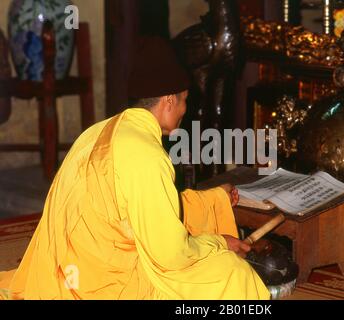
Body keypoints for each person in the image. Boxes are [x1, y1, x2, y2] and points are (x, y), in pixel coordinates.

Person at [2, 37, 270, 300]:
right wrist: (219, 243)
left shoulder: (98, 132)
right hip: (107, 285)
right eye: (184, 100)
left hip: (67, 269)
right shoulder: (148, 155)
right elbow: (171, 256)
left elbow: (143, 211)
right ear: (168, 100)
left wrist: (213, 199)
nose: (185, 110)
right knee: (232, 273)